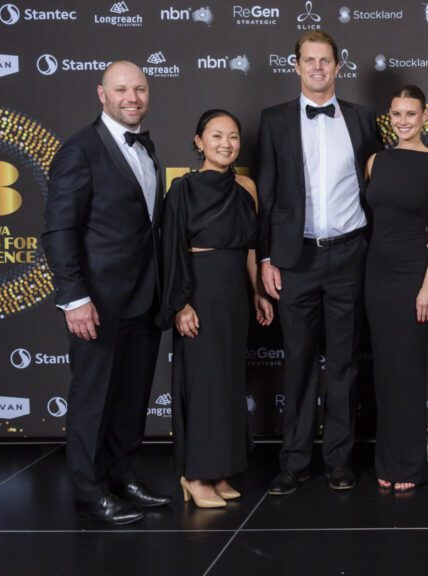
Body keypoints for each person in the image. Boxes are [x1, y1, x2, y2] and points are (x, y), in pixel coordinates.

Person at [43, 61, 171, 524]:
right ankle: (88, 490)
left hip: (144, 296)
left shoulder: (147, 147)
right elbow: (59, 230)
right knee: (93, 399)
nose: (131, 98)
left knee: (132, 396)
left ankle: (123, 476)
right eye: (121, 90)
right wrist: (74, 298)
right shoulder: (79, 150)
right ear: (102, 94)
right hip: (97, 302)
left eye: (139, 89)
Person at [256, 30, 382, 495]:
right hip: (296, 258)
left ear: (337, 66)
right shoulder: (274, 120)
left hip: (350, 253)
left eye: (324, 60)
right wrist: (266, 256)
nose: (316, 68)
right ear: (296, 66)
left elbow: (380, 185)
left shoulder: (363, 119)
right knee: (299, 362)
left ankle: (339, 460)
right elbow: (266, 194)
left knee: (344, 363)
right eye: (308, 60)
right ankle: (293, 461)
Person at [159, 110, 274, 507]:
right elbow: (171, 250)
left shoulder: (247, 187)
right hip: (200, 292)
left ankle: (219, 469)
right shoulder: (182, 189)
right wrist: (180, 304)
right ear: (199, 141)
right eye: (217, 136)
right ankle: (194, 475)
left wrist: (258, 292)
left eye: (233, 136)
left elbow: (251, 246)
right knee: (202, 384)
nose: (226, 144)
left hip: (234, 296)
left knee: (227, 383)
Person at [364, 86, 428, 491]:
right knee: (385, 370)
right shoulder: (375, 161)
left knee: (407, 370)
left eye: (411, 114)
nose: (403, 121)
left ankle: (407, 464)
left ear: (424, 117)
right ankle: (387, 460)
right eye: (397, 113)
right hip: (376, 276)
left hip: (413, 276)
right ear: (390, 116)